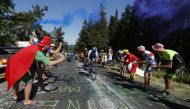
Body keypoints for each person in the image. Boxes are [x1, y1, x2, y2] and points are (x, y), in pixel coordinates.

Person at [5, 36, 66, 105]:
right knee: (29, 81)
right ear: (46, 46)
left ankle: (15, 96)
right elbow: (49, 63)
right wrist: (61, 59)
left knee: (17, 79)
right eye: (49, 46)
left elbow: (30, 42)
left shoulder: (35, 45)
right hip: (18, 64)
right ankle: (26, 101)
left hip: (13, 61)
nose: (49, 48)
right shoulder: (38, 52)